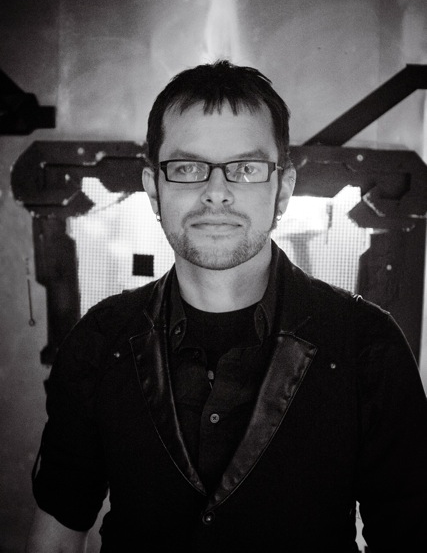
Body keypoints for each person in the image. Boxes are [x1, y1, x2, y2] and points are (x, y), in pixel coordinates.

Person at [26, 60, 427, 553]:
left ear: (283, 189)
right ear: (153, 188)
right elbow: (57, 537)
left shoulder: (367, 346)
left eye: (245, 168)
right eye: (188, 168)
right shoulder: (99, 340)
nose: (216, 193)